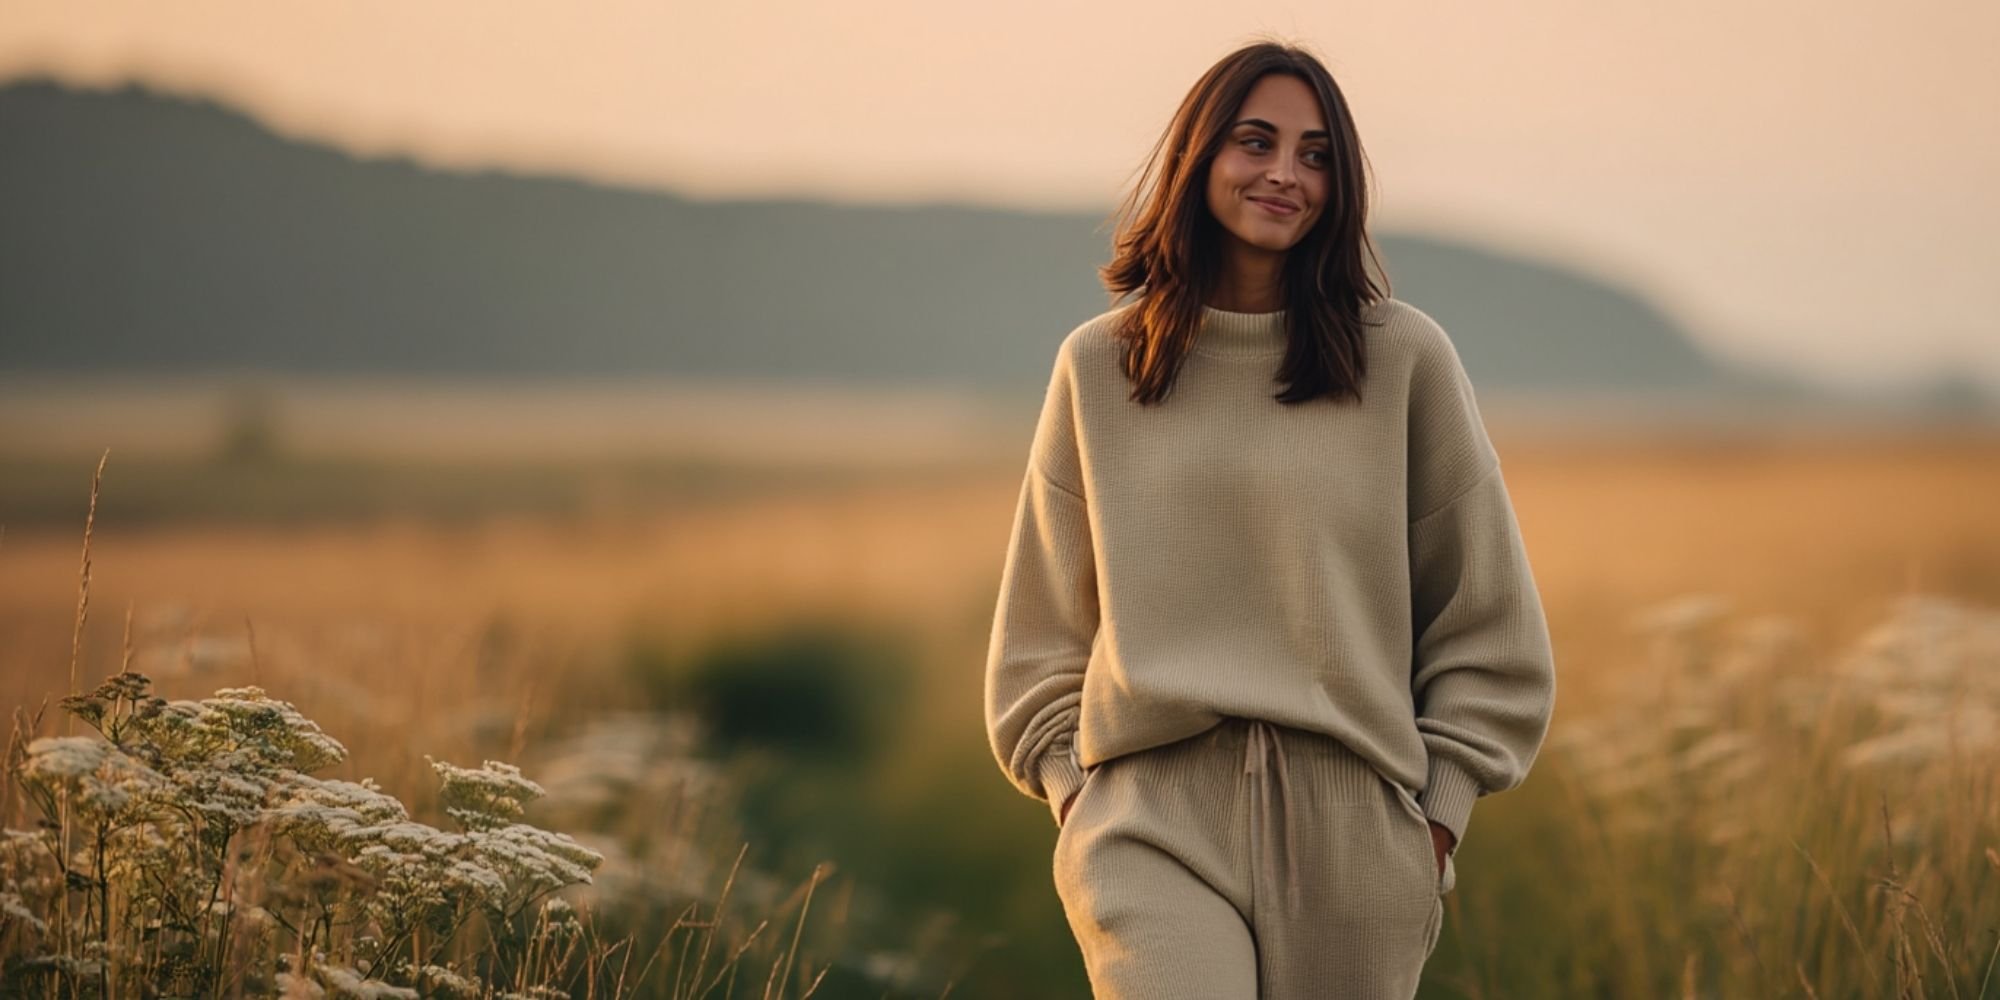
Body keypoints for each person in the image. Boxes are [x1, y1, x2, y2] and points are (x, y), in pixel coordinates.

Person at [982, 38, 1558, 999]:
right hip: (1149, 821)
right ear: (1199, 155)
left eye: (1317, 153)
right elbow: (1038, 634)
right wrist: (1077, 797)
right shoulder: (1098, 367)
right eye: (1257, 142)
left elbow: (1487, 620)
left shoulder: (1403, 359)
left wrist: (1435, 820)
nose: (1286, 174)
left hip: (1359, 834)